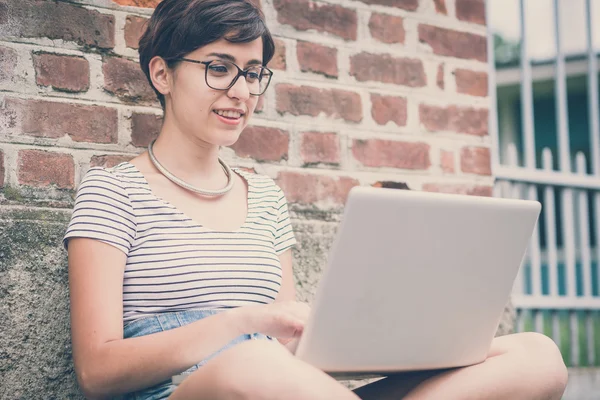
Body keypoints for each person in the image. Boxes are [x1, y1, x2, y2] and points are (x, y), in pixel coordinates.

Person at [64, 0, 568, 399]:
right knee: (249, 360)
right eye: (219, 68)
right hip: (190, 390)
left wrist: (377, 326)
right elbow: (97, 370)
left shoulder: (263, 198)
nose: (242, 91)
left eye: (254, 72)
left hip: (285, 386)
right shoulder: (114, 191)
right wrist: (243, 324)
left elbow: (287, 354)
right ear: (162, 75)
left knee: (536, 356)